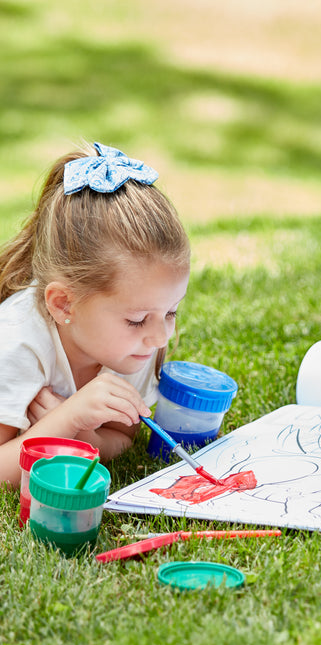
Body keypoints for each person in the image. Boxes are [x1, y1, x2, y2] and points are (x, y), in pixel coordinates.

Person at [0, 141, 191, 486]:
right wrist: (68, 418)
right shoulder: (16, 344)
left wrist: (90, 440)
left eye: (171, 312)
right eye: (136, 319)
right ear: (63, 305)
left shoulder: (137, 344)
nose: (160, 336)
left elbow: (123, 436)